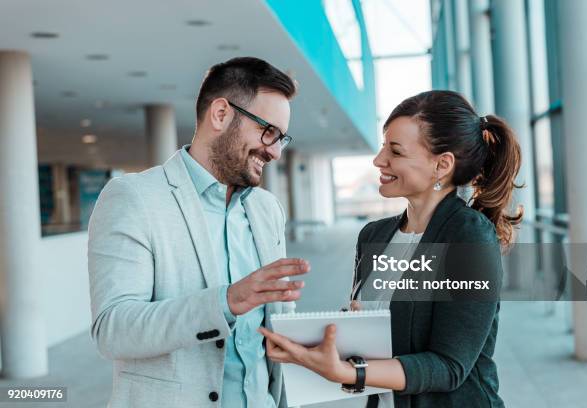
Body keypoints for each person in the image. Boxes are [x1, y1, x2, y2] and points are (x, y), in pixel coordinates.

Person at [259, 90, 523, 408]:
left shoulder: (467, 236)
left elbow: (450, 367)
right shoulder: (375, 235)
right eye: (384, 146)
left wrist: (350, 371)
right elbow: (379, 338)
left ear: (442, 165)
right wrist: (323, 343)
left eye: (395, 151)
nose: (378, 160)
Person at [88, 57, 309, 408]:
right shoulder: (134, 198)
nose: (276, 152)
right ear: (220, 114)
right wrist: (226, 301)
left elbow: (270, 328)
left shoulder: (266, 208)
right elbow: (113, 330)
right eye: (269, 132)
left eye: (282, 138)